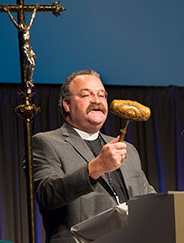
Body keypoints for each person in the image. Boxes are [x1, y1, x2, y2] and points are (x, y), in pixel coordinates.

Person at [32, 69, 156, 243]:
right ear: (67, 104)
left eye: (101, 95)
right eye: (85, 95)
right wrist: (96, 167)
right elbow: (48, 195)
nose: (96, 100)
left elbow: (149, 198)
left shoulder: (127, 149)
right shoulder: (46, 142)